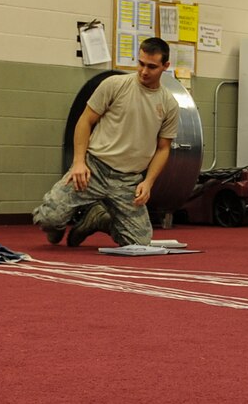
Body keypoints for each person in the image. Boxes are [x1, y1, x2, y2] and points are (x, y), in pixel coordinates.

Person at [36, 37, 180, 248]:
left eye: (152, 66)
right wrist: (79, 162)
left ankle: (97, 219)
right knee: (48, 218)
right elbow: (85, 121)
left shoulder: (169, 104)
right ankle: (56, 228)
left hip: (128, 180)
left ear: (165, 66)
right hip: (94, 168)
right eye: (140, 63)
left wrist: (148, 182)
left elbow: (163, 148)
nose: (144, 71)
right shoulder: (114, 85)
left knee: (140, 243)